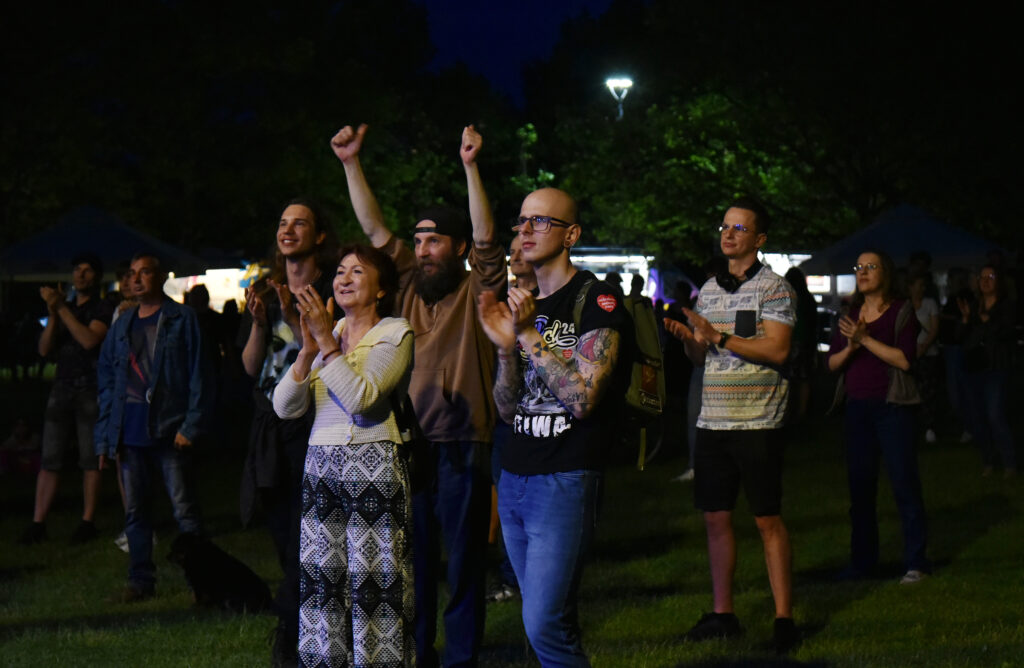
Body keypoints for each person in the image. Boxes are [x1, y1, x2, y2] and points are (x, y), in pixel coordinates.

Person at [331, 123, 506, 667]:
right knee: (415, 557)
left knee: (462, 561)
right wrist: (350, 163)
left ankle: (460, 657)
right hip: (409, 445)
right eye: (420, 239)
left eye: (435, 240)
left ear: (456, 249)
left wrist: (471, 167)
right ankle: (419, 651)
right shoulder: (407, 285)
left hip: (463, 442)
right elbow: (373, 227)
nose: (424, 249)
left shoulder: (478, 288)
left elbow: (485, 239)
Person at [478, 187, 631, 666]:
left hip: (565, 479)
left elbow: (583, 399)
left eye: (540, 222)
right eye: (521, 221)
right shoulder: (525, 304)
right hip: (517, 476)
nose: (525, 230)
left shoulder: (597, 300)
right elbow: (508, 410)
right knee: (544, 621)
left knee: (544, 623)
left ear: (572, 234)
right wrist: (506, 349)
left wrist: (526, 334)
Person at [663, 199, 799, 654]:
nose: (728, 233)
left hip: (758, 420)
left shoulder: (775, 289)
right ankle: (724, 614)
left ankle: (783, 619)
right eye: (724, 226)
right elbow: (704, 356)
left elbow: (777, 351)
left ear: (759, 240)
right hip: (713, 422)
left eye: (739, 228)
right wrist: (691, 343)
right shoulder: (709, 289)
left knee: (766, 520)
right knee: (716, 518)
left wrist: (718, 336)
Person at [273, 244, 415, 668]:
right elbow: (284, 406)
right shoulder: (327, 335)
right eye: (340, 271)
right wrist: (306, 349)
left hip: (372, 466)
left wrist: (325, 345)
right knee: (322, 588)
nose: (345, 278)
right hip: (320, 466)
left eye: (358, 271)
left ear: (381, 289)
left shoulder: (395, 332)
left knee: (376, 587)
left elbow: (361, 398)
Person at [238, 198, 338, 665]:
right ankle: (299, 621)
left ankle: (292, 629)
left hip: (313, 420)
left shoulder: (330, 289)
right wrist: (260, 324)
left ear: (319, 237)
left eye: (300, 223)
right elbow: (250, 366)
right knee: (281, 527)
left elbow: (327, 355)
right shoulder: (263, 289)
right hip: (268, 426)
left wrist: (299, 327)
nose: (288, 229)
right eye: (282, 222)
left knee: (309, 530)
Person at [94, 253, 213, 601]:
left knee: (184, 509)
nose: (137, 279)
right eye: (132, 274)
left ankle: (201, 580)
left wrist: (191, 425)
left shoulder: (181, 318)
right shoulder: (123, 324)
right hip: (130, 433)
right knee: (135, 512)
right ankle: (140, 580)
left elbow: (199, 374)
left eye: (144, 272)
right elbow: (107, 378)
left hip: (168, 428)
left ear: (160, 277)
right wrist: (106, 437)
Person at [827, 250, 930, 584]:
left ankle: (915, 562)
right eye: (859, 267)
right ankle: (862, 563)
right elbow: (832, 363)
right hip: (858, 409)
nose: (863, 272)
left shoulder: (900, 312)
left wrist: (865, 339)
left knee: (903, 484)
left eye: (871, 266)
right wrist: (852, 347)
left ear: (886, 272)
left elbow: (904, 360)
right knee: (860, 490)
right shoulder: (849, 313)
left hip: (892, 407)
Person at [20, 253, 114, 545]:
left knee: (90, 458)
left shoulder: (103, 307)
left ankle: (87, 521)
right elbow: (45, 349)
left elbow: (88, 340)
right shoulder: (65, 308)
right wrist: (54, 312)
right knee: (50, 457)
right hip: (61, 387)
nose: (81, 275)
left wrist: (61, 308)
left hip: (90, 388)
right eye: (77, 270)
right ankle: (38, 522)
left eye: (87, 271)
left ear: (97, 277)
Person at [959, 264, 1017, 477]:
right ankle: (988, 461)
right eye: (982, 277)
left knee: (995, 415)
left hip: (996, 366)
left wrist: (988, 321)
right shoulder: (974, 306)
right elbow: (961, 336)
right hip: (975, 367)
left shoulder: (1006, 306)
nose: (985, 281)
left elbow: (1006, 332)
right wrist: (966, 320)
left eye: (990, 276)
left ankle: (1009, 462)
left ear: (998, 281)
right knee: (978, 416)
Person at [909, 275, 940, 443]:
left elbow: (934, 328)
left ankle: (930, 426)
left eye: (923, 285)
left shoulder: (930, 303)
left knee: (928, 391)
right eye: (919, 284)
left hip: (928, 354)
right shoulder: (906, 305)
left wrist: (924, 347)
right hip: (910, 355)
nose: (921, 289)